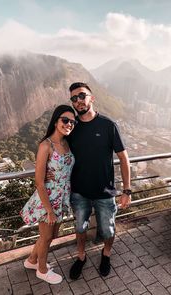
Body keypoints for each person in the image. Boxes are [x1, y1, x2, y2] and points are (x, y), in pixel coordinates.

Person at [67, 82, 131, 280]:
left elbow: (123, 158)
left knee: (108, 228)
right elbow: (58, 153)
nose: (78, 101)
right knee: (79, 228)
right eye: (74, 98)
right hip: (78, 192)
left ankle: (106, 254)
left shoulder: (108, 125)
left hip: (105, 192)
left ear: (91, 98)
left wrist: (127, 190)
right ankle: (81, 256)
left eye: (82, 96)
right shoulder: (71, 127)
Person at [20, 104, 76, 284]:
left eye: (72, 122)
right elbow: (39, 182)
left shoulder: (67, 142)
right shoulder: (46, 145)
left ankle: (32, 261)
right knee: (46, 237)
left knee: (51, 236)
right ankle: (42, 270)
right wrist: (49, 210)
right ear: (56, 121)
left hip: (61, 197)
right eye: (65, 120)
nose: (68, 124)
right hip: (48, 199)